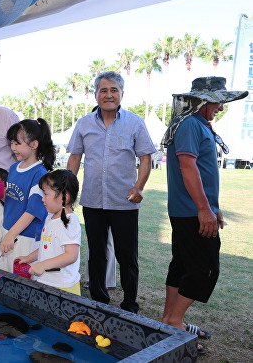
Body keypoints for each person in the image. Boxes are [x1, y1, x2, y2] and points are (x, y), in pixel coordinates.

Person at [160, 76, 247, 356]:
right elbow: (188, 168)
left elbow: (202, 170)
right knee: (204, 270)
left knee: (183, 266)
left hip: (190, 209)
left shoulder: (194, 124)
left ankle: (168, 322)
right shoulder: (189, 124)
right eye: (218, 100)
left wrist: (212, 206)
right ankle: (175, 322)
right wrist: (203, 209)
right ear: (204, 100)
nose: (221, 107)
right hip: (191, 212)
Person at [67, 71, 155, 314]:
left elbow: (145, 158)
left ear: (122, 94)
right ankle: (99, 300)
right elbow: (75, 157)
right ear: (95, 94)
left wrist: (139, 187)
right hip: (92, 200)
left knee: (127, 256)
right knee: (96, 254)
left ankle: (129, 305)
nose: (109, 95)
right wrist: (68, 190)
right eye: (103, 90)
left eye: (114, 90)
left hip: (124, 201)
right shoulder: (84, 123)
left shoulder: (135, 122)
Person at [0, 118, 55, 272]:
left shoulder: (39, 174)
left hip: (26, 237)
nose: (13, 148)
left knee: (21, 278)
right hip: (9, 230)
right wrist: (1, 195)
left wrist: (11, 234)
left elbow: (32, 211)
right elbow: (12, 200)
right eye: (11, 143)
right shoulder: (14, 167)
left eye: (17, 143)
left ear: (34, 144)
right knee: (5, 272)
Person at [15, 169, 81, 295]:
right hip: (46, 282)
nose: (42, 199)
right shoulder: (50, 217)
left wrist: (43, 265)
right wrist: (29, 258)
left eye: (46, 194)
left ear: (64, 197)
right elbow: (47, 246)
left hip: (63, 287)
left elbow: (71, 255)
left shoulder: (70, 221)